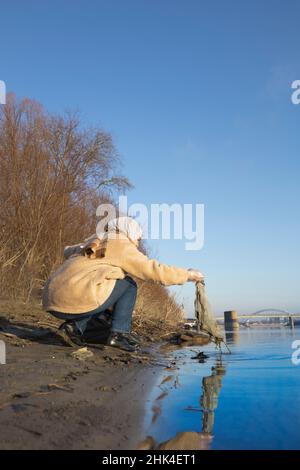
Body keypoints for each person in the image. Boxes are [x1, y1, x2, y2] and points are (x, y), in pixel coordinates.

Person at [42, 216, 204, 352]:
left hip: (53, 300)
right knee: (128, 284)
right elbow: (154, 270)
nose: (138, 243)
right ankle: (119, 334)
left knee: (103, 295)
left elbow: (67, 250)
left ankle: (73, 328)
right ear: (129, 232)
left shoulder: (95, 240)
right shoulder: (120, 243)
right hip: (76, 299)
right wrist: (187, 275)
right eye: (138, 238)